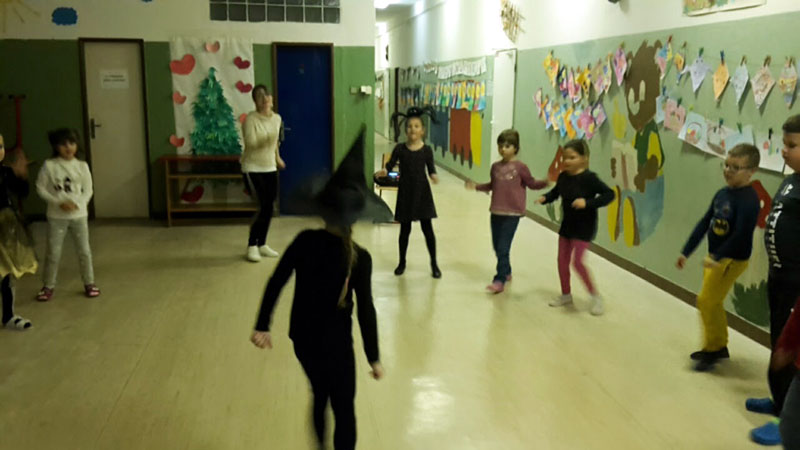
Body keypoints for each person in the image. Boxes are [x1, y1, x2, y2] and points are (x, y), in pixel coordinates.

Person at [251, 127, 389, 450]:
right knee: (344, 408)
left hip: (303, 338)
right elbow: (366, 310)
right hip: (337, 343)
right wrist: (373, 357)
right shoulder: (360, 258)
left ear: (323, 207)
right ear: (356, 214)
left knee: (320, 393)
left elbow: (276, 281)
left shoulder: (304, 241)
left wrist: (262, 324)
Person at [676, 144, 761, 372]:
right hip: (715, 257)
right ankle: (718, 345)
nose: (728, 171)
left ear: (751, 171)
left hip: (731, 260)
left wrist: (719, 257)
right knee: (712, 302)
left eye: (736, 167)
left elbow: (741, 234)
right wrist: (686, 251)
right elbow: (705, 222)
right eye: (726, 165)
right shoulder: (723, 193)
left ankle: (713, 349)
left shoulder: (749, 200)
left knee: (706, 301)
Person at [749, 115, 800, 446]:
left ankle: (787, 417)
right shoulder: (791, 180)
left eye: (792, 145)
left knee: (790, 348)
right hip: (779, 276)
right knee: (777, 339)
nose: (784, 151)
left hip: (796, 282)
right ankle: (779, 398)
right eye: (783, 144)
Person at [536, 139, 614, 315]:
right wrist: (545, 198)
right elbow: (556, 192)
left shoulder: (590, 179)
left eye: (572, 157)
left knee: (577, 262)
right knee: (562, 262)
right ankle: (566, 295)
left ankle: (595, 296)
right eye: (565, 157)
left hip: (584, 228)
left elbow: (609, 194)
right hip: (567, 226)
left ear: (584, 158)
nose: (567, 161)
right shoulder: (563, 176)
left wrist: (587, 203)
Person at [466, 129, 547, 294]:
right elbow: (492, 185)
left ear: (515, 148)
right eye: (500, 146)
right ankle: (507, 270)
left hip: (512, 214)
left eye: (507, 146)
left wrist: (546, 182)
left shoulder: (521, 167)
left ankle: (499, 279)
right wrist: (476, 186)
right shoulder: (495, 167)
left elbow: (531, 183)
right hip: (496, 211)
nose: (503, 149)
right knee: (497, 246)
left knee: (503, 247)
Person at [35, 128, 99, 301]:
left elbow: (88, 190)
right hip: (56, 217)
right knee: (53, 253)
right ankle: (48, 285)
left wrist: (78, 204)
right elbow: (40, 188)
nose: (68, 147)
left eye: (72, 143)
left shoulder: (82, 166)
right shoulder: (50, 166)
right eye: (63, 144)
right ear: (56, 146)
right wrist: (58, 202)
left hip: (79, 216)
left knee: (84, 251)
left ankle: (89, 282)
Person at [377, 106, 441, 278]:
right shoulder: (400, 149)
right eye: (410, 126)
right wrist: (385, 171)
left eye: (416, 126)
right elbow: (390, 165)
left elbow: (431, 169)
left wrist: (434, 176)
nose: (413, 129)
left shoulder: (426, 150)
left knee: (428, 230)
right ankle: (402, 262)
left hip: (422, 193)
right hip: (406, 193)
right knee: (404, 230)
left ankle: (434, 264)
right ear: (406, 130)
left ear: (422, 131)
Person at [241, 84, 285, 263]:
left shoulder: (277, 118)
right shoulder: (250, 120)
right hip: (252, 167)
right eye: (260, 97)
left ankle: (262, 244)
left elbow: (275, 142)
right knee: (263, 206)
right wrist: (266, 139)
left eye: (267, 96)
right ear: (255, 101)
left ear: (271, 99)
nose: (265, 99)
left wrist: (277, 158)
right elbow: (250, 144)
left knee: (270, 206)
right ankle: (252, 245)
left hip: (270, 167)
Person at [0, 132, 37, 329]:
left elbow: (21, 192)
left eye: (0, 147)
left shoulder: (5, 172)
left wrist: (22, 176)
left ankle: (8, 316)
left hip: (5, 227)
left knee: (6, 272)